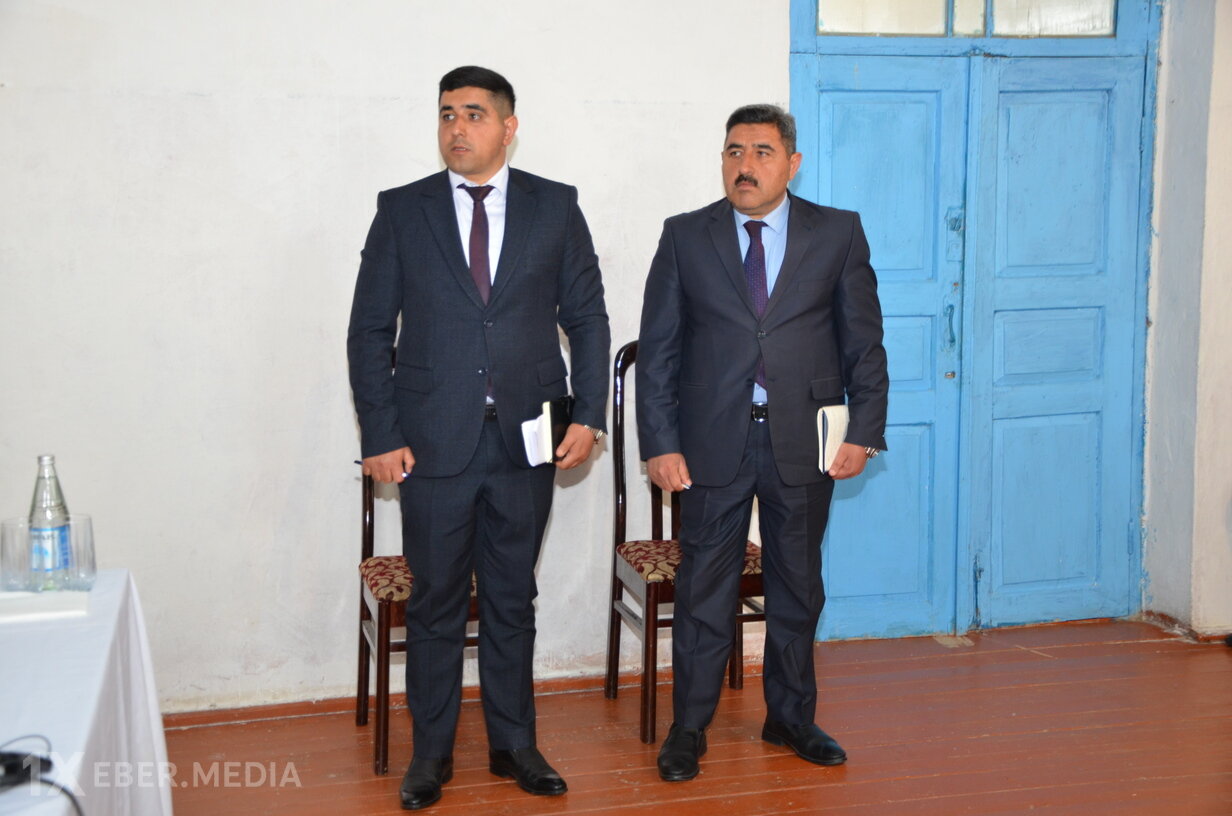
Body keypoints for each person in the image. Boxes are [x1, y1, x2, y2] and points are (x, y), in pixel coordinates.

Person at [347, 65, 610, 810]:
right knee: (434, 602)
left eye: (473, 114)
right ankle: (430, 755)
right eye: (446, 115)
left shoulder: (555, 206)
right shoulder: (403, 210)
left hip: (529, 439)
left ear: (508, 126)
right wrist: (380, 432)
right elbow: (370, 330)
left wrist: (589, 414)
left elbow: (588, 319)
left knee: (511, 598)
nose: (456, 128)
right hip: (431, 440)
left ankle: (514, 745)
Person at [636, 103, 888, 781]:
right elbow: (658, 350)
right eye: (734, 152)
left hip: (804, 440)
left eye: (761, 152)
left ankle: (791, 718)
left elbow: (864, 342)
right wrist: (659, 441)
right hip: (710, 441)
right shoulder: (686, 236)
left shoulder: (837, 233)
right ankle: (689, 727)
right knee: (703, 589)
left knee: (797, 586)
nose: (745, 166)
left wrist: (865, 431)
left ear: (792, 163)